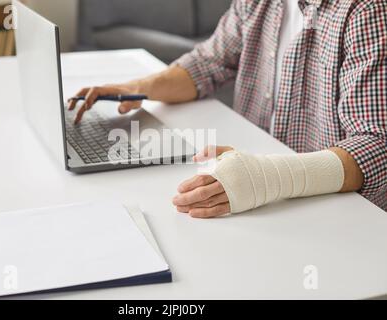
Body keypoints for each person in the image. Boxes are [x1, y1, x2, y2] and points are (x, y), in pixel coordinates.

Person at [69, 0, 386, 217]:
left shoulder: (367, 10)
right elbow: (210, 61)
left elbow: (377, 145)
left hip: (328, 209)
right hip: (257, 194)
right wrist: (138, 88)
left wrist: (265, 177)